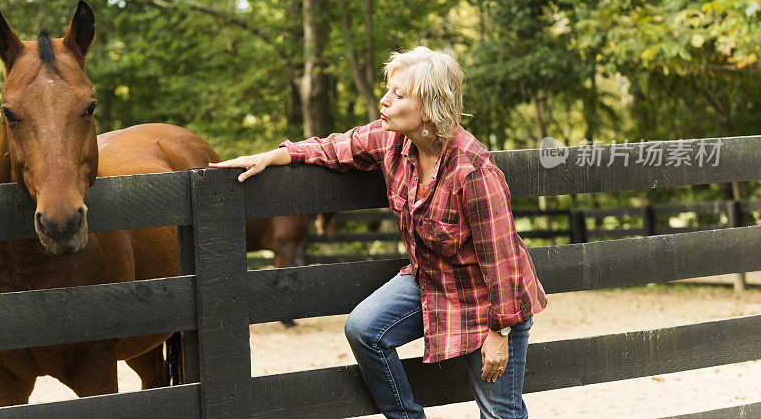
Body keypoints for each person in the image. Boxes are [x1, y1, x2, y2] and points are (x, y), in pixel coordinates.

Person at [209, 47, 547, 419]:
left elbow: (503, 262)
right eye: (388, 90)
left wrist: (500, 333)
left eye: (398, 95)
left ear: (430, 108)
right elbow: (332, 147)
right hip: (430, 280)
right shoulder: (391, 141)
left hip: (491, 299)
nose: (384, 101)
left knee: (500, 412)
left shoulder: (473, 170)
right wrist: (273, 156)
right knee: (365, 329)